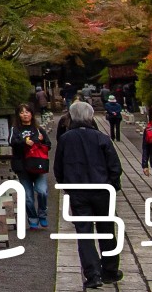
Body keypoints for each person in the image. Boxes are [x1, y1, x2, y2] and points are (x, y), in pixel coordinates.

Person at [57, 99, 124, 290]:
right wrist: (113, 185)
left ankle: (93, 274)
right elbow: (115, 166)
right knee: (106, 230)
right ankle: (110, 270)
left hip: (78, 192)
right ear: (90, 116)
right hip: (102, 190)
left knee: (84, 233)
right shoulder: (102, 138)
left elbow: (59, 168)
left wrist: (66, 186)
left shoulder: (65, 139)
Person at [10, 102, 53, 229]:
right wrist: (24, 142)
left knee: (42, 191)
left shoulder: (38, 129)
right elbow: (12, 142)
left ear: (31, 114)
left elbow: (48, 145)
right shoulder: (15, 129)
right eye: (22, 112)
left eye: (27, 112)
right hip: (22, 166)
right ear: (18, 115)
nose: (25, 115)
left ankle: (42, 214)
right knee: (28, 197)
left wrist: (38, 141)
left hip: (38, 165)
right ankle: (32, 218)